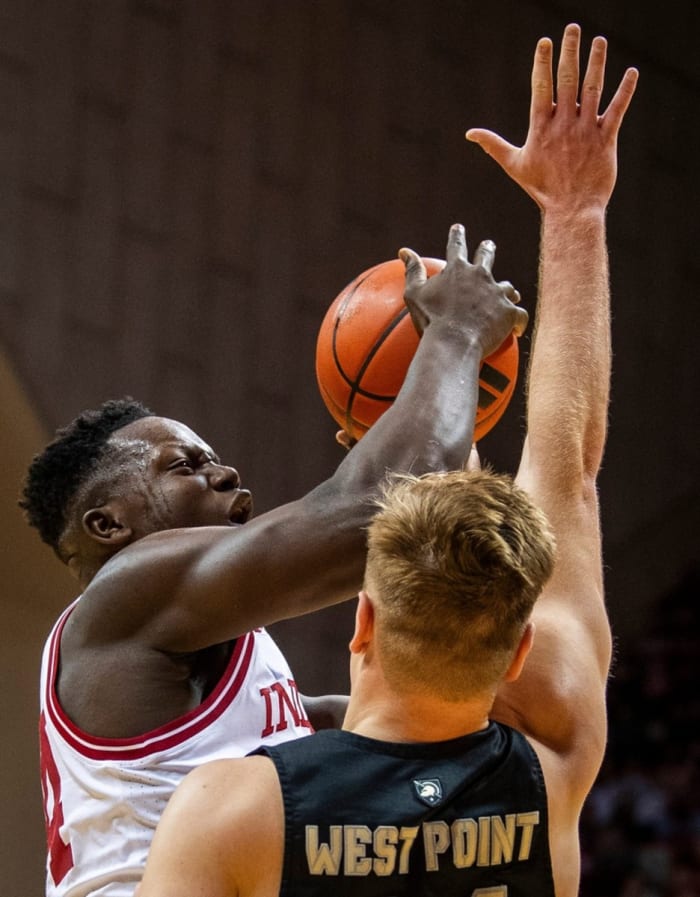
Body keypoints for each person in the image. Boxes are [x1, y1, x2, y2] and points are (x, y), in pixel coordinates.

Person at [135, 22, 639, 897]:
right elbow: (570, 465)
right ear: (518, 651)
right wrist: (577, 211)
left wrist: (411, 412)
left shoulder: (239, 809)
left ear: (362, 621)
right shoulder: (553, 764)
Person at [22, 216, 526, 897]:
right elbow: (371, 516)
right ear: (108, 524)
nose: (228, 475)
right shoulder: (126, 592)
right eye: (186, 465)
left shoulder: (201, 642)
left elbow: (334, 721)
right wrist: (457, 333)